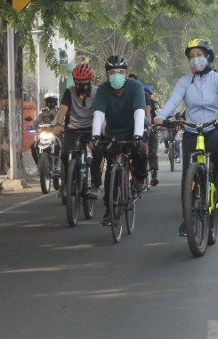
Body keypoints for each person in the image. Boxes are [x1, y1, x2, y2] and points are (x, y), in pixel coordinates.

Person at [154, 39, 218, 237]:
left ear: (207, 57)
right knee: (187, 174)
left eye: (199, 55)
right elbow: (173, 100)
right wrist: (162, 116)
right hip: (191, 128)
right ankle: (186, 218)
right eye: (192, 56)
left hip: (215, 126)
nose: (195, 59)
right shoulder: (184, 81)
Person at [90, 55, 151, 227]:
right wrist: (95, 136)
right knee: (111, 167)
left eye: (121, 71)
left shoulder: (135, 87)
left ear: (126, 73)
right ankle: (110, 209)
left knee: (140, 151)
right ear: (107, 74)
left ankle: (140, 178)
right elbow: (99, 114)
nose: (117, 74)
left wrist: (138, 135)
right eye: (112, 72)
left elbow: (139, 111)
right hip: (113, 131)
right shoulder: (103, 89)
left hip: (135, 127)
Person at [54, 64, 101, 204]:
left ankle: (95, 185)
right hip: (72, 129)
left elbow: (100, 112)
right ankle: (68, 183)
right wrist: (58, 125)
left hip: (91, 129)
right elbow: (62, 109)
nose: (81, 84)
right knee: (64, 154)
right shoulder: (69, 92)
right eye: (78, 81)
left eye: (84, 81)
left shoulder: (97, 93)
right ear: (74, 81)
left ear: (90, 80)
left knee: (98, 152)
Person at [30, 94, 60, 167]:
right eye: (48, 101)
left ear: (56, 101)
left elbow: (64, 121)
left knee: (63, 147)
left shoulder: (59, 111)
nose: (50, 103)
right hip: (45, 134)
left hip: (57, 135)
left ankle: (60, 165)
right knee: (33, 146)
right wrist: (32, 128)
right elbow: (36, 121)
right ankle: (39, 166)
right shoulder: (43, 112)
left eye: (52, 100)